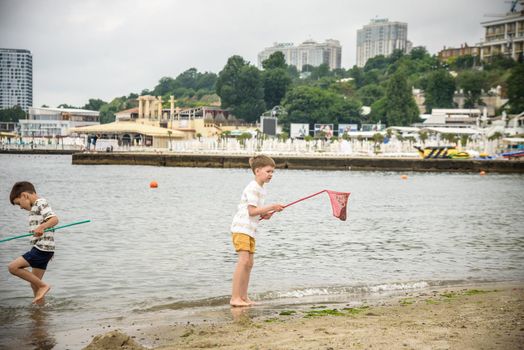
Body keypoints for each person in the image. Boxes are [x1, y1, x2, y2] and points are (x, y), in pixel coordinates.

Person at [230, 155, 284, 307]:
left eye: (273, 172)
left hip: (250, 230)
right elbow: (252, 211)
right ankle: (235, 298)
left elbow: (257, 212)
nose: (271, 175)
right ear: (257, 171)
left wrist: (267, 214)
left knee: (249, 263)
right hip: (241, 228)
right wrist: (272, 206)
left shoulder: (261, 188)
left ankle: (243, 297)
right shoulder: (253, 187)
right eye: (268, 171)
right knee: (243, 261)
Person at [7, 181, 59, 305]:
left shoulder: (40, 202)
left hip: (41, 249)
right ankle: (40, 313)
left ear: (25, 195)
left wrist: (42, 227)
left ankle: (44, 286)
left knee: (13, 267)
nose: (20, 207)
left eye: (19, 203)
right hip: (45, 249)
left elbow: (54, 219)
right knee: (34, 284)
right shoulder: (35, 207)